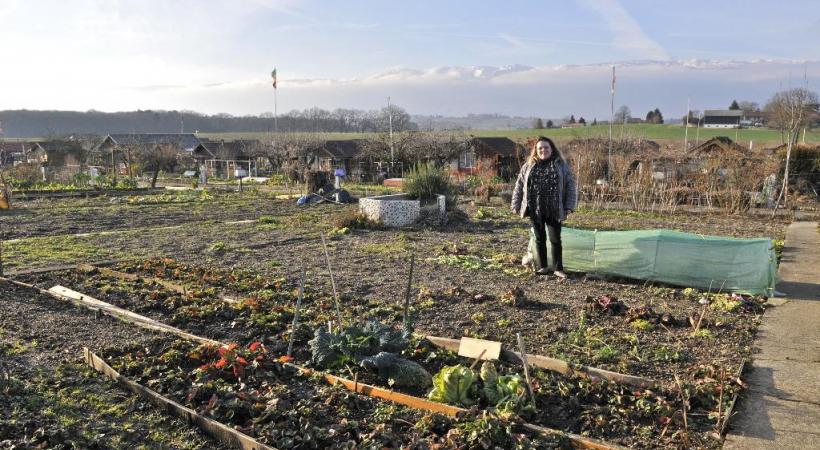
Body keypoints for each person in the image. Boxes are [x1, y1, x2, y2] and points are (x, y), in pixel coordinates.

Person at [511, 137, 577, 278]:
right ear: (536, 150)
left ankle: (558, 268)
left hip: (554, 208)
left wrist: (569, 206)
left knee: (555, 239)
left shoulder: (560, 165)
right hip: (535, 207)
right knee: (539, 238)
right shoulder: (528, 166)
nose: (543, 150)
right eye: (540, 148)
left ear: (552, 149)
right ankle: (543, 267)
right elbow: (519, 185)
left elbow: (570, 186)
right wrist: (516, 204)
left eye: (546, 147)